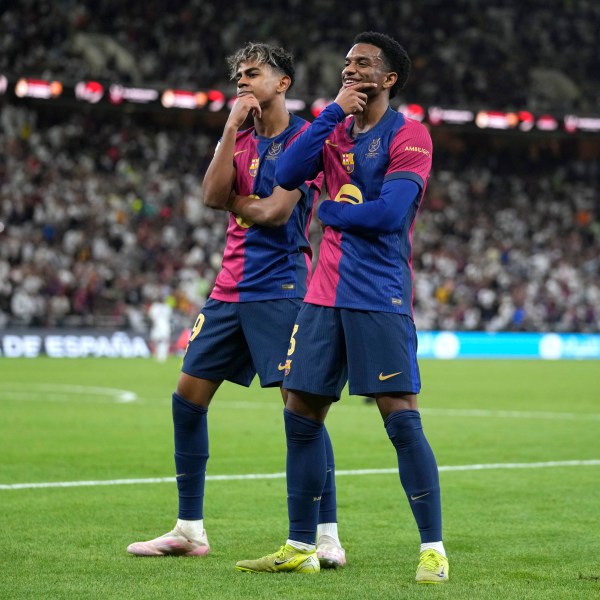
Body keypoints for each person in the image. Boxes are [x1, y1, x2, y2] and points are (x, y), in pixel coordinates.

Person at [235, 32, 448, 583]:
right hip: (321, 298)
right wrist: (332, 112)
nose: (350, 70)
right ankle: (300, 544)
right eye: (347, 63)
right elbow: (284, 176)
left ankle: (433, 550)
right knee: (300, 415)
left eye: (363, 65)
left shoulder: (410, 135)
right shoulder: (329, 131)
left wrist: (332, 212)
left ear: (390, 78)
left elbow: (390, 214)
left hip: (379, 296)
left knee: (401, 420)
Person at [127, 42, 346, 568]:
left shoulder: (308, 140)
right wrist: (228, 130)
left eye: (254, 74)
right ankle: (189, 529)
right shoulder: (240, 138)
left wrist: (236, 201)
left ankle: (326, 535)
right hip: (229, 289)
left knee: (303, 410)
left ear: (283, 82)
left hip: (281, 290)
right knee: (187, 399)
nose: (244, 83)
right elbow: (210, 195)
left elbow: (273, 212)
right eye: (240, 76)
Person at [148, 297, 173, 362]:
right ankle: (159, 355)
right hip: (159, 327)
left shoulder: (165, 307)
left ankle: (162, 355)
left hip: (163, 327)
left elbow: (151, 316)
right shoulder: (157, 306)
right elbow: (151, 316)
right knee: (159, 341)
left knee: (163, 341)